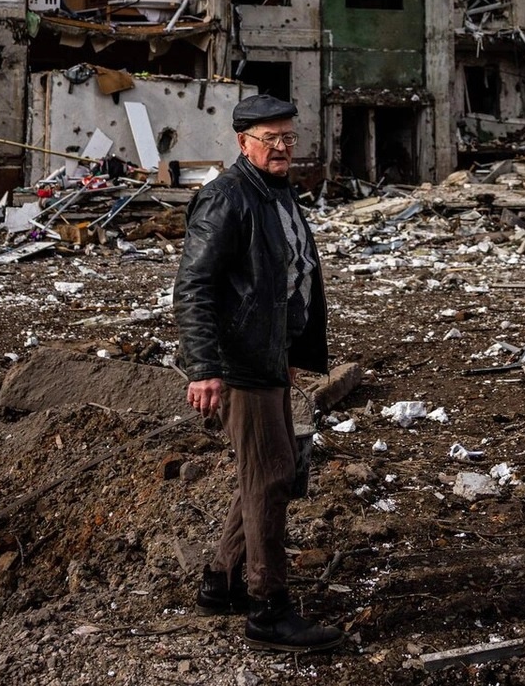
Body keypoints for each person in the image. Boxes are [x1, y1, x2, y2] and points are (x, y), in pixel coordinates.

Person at [173, 94, 344, 653]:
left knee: (265, 470)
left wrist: (293, 348)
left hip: (267, 356)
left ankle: (222, 582)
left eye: (289, 139)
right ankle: (268, 610)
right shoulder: (226, 198)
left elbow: (293, 275)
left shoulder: (278, 193)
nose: (282, 149)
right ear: (242, 142)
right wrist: (203, 368)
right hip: (238, 363)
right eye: (271, 140)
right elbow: (193, 287)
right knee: (272, 477)